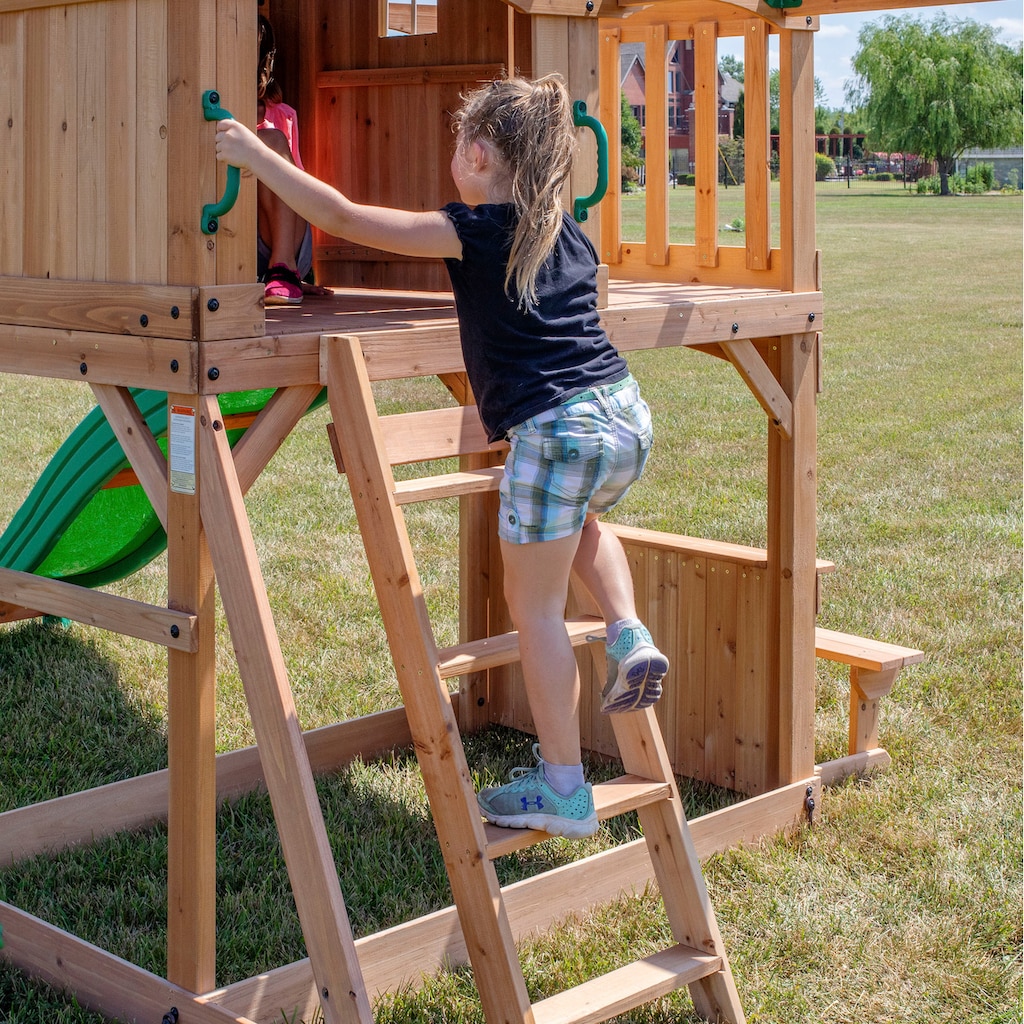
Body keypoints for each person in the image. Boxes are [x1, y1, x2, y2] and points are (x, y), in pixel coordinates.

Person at [215, 74, 668, 839]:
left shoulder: (475, 229)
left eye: (461, 142)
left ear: (481, 153)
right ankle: (629, 633)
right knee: (584, 523)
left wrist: (254, 156)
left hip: (557, 428)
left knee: (536, 612)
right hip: (624, 414)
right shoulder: (565, 230)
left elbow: (343, 217)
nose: (453, 153)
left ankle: (563, 788)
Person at [255, 15, 322, 305]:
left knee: (271, 142)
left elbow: (296, 190)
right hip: (226, 242)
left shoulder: (282, 114)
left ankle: (284, 269)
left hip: (276, 244)